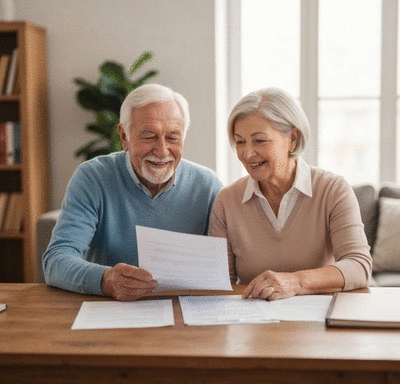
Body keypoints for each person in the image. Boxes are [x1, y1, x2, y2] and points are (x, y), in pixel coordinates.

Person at [43, 83, 222, 301]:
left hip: (185, 313)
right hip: (111, 309)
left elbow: (228, 266)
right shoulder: (93, 178)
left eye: (173, 137)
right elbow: (56, 260)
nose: (162, 150)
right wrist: (105, 280)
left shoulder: (208, 186)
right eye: (149, 136)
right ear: (124, 136)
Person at [208, 87, 372, 301]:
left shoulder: (332, 190)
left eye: (259, 140)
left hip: (318, 325)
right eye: (240, 142)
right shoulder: (227, 201)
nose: (247, 153)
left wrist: (295, 282)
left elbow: (359, 266)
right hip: (253, 326)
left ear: (292, 138)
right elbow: (220, 285)